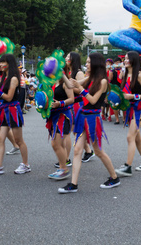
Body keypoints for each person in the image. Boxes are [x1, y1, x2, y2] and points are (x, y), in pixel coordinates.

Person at [58, 52, 120, 193]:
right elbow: (70, 84)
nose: (85, 64)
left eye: (88, 62)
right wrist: (60, 72)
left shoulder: (103, 81)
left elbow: (92, 100)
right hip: (83, 116)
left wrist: (81, 90)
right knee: (78, 150)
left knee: (98, 151)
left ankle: (114, 177)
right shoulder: (88, 78)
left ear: (96, 64)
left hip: (93, 118)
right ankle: (73, 184)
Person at [0, 54, 30, 175]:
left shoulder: (14, 78)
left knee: (18, 140)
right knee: (0, 138)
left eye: (1, 62)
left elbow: (9, 97)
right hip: (4, 110)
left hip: (13, 109)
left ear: (9, 63)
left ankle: (26, 164)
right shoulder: (4, 77)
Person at [115, 51, 141, 177]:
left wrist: (133, 96)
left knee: (130, 137)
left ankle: (127, 166)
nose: (124, 61)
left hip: (139, 109)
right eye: (124, 59)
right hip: (130, 109)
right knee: (136, 137)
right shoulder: (125, 74)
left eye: (126, 59)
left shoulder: (140, 75)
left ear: (133, 61)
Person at [65, 51, 94, 164]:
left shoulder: (78, 73)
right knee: (74, 129)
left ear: (73, 59)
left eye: (68, 57)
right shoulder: (69, 72)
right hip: (72, 103)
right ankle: (88, 151)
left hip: (78, 103)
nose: (66, 58)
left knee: (76, 129)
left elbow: (82, 89)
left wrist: (69, 87)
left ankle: (87, 151)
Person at [46, 69, 74, 180]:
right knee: (58, 144)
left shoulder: (65, 84)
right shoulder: (53, 83)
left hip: (63, 116)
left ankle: (64, 169)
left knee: (56, 144)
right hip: (54, 116)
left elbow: (71, 99)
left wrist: (60, 103)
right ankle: (63, 168)